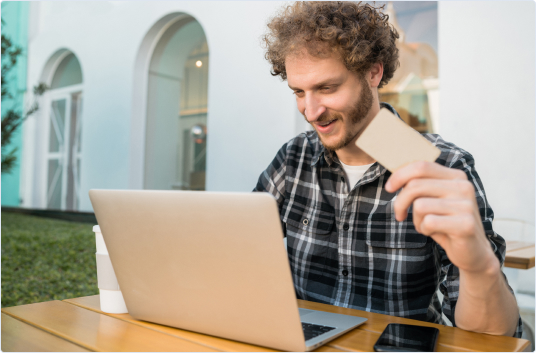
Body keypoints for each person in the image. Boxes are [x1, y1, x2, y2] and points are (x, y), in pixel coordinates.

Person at [254, 1, 522, 337]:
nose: (310, 111)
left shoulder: (440, 167)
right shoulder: (293, 158)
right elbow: (242, 252)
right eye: (299, 92)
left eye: (327, 88)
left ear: (373, 73)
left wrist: (479, 266)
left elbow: (495, 337)